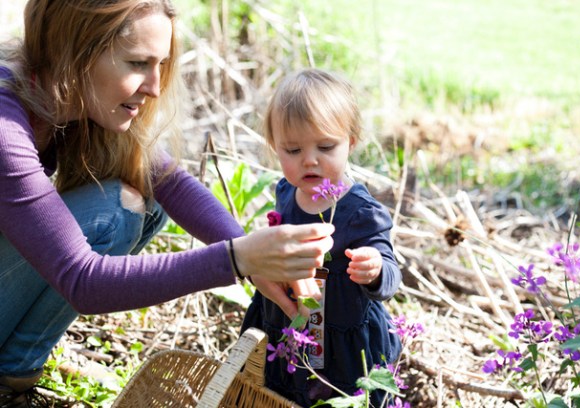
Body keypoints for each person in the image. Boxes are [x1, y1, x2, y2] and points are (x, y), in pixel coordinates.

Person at [0, 1, 335, 405]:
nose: (155, 86)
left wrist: (255, 261)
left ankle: (12, 373)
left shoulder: (68, 98)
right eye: (138, 63)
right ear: (75, 51)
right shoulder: (5, 125)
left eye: (160, 64)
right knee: (115, 210)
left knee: (144, 197)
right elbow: (83, 281)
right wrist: (236, 258)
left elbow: (170, 182)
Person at [241, 68, 402, 407]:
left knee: (336, 398)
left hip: (340, 340)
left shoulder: (360, 213)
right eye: (293, 150)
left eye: (326, 146)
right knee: (282, 393)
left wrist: (374, 271)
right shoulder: (286, 192)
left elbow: (391, 272)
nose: (310, 160)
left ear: (351, 143)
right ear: (275, 148)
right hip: (289, 323)